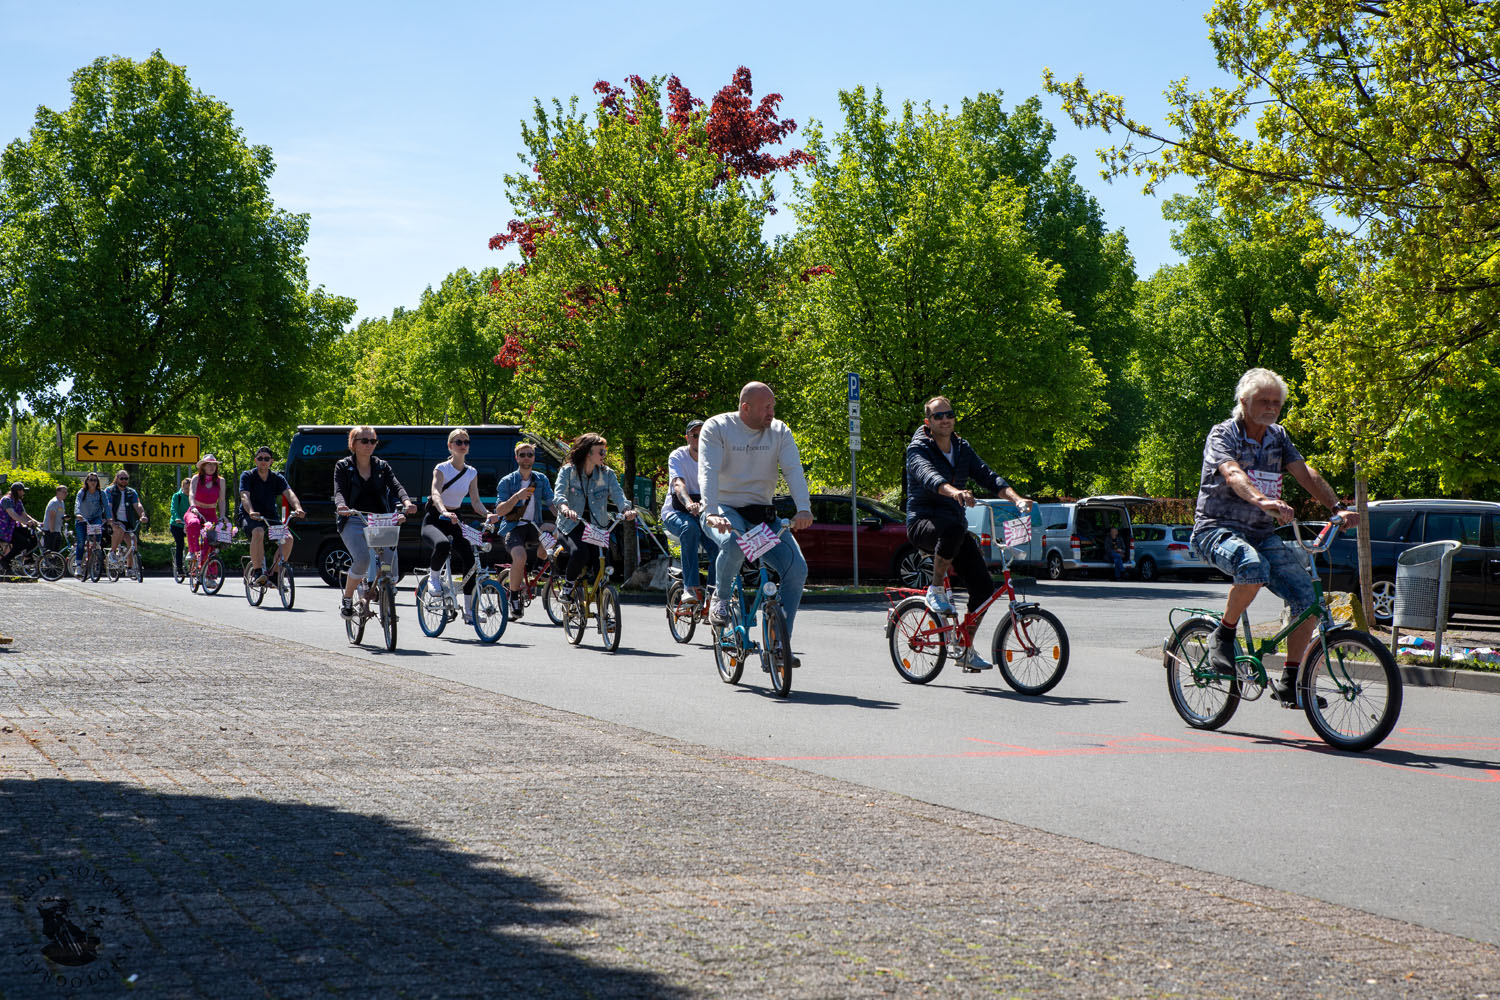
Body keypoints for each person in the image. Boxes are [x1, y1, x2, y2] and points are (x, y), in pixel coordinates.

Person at [1190, 368, 1359, 705]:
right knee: (1251, 566)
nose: (1270, 407)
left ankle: (1291, 682)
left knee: (1308, 601)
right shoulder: (1224, 434)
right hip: (1215, 529)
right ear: (1244, 401)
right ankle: (1223, 635)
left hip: (1261, 533)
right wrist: (1261, 500)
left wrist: (1337, 507)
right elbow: (1232, 472)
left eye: (1276, 402)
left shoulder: (1278, 436)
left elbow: (1303, 472)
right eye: (1263, 400)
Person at [904, 396, 1034, 671]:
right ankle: (936, 588)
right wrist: (956, 492)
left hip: (953, 527)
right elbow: (929, 476)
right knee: (953, 528)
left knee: (983, 589)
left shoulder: (962, 448)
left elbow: (989, 476)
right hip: (923, 523)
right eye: (938, 416)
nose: (945, 419)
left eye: (949, 414)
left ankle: (965, 647)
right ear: (928, 422)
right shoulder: (917, 449)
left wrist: (1017, 499)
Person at [700, 382, 813, 664]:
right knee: (734, 542)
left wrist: (804, 508)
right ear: (745, 407)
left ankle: (778, 644)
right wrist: (711, 510)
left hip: (760, 515)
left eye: (773, 406)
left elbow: (793, 470)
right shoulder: (717, 427)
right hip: (723, 508)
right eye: (766, 407)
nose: (771, 412)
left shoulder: (779, 431)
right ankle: (720, 599)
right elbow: (708, 470)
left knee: (797, 568)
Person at [332, 425, 417, 618]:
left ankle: (384, 593)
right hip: (353, 518)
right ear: (353, 444)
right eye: (364, 440)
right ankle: (347, 598)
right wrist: (341, 506)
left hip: (379, 520)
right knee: (363, 559)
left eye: (373, 441)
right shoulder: (343, 466)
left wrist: (407, 502)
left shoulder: (381, 466)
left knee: (389, 563)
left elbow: (396, 486)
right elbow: (339, 491)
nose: (369, 444)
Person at [421, 428, 494, 623]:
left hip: (455, 518)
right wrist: (443, 510)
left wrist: (488, 514)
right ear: (450, 446)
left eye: (466, 442)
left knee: (470, 558)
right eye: (458, 442)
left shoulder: (471, 472)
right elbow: (435, 493)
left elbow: (476, 501)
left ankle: (469, 612)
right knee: (442, 545)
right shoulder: (442, 468)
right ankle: (433, 578)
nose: (463, 445)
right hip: (435, 517)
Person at [552, 433, 635, 600]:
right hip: (571, 525)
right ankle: (568, 585)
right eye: (601, 451)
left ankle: (603, 606)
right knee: (580, 553)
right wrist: (565, 508)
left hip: (596, 527)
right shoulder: (568, 472)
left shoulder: (607, 474)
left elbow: (618, 495)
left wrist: (626, 510)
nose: (604, 455)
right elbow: (559, 495)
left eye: (605, 451)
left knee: (603, 563)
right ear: (587, 453)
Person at [492, 440, 556, 618]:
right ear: (517, 458)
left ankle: (539, 565)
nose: (527, 458)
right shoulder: (507, 481)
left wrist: (563, 515)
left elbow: (551, 502)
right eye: (523, 455)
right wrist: (517, 497)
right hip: (513, 527)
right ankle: (513, 597)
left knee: (555, 530)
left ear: (534, 458)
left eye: (530, 454)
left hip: (534, 525)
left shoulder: (541, 479)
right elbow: (500, 511)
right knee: (520, 557)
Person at [660, 419, 719, 608]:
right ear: (687, 438)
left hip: (703, 513)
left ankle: (713, 597)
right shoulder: (678, 456)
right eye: (695, 435)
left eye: (704, 435)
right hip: (676, 512)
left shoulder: (714, 457)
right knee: (690, 528)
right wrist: (689, 503)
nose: (699, 439)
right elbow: (678, 484)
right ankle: (690, 587)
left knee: (720, 546)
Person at [239, 446, 306, 587]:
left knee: (288, 539)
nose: (263, 461)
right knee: (258, 531)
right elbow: (244, 496)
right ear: (255, 460)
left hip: (270, 516)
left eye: (266, 458)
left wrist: (298, 508)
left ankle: (274, 575)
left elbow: (289, 493)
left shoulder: (277, 478)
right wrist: (251, 511)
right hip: (250, 515)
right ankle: (257, 572)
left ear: (271, 461)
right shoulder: (247, 476)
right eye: (260, 458)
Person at [183, 455, 224, 568]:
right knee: (194, 523)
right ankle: (192, 551)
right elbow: (191, 494)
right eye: (209, 464)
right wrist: (193, 506)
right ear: (203, 466)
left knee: (210, 542)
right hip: (196, 511)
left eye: (214, 465)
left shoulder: (221, 481)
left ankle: (209, 573)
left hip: (211, 513)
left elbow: (222, 500)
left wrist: (222, 516)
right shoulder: (196, 478)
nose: (211, 467)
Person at [102, 470, 147, 565]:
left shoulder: (131, 492)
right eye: (121, 478)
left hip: (127, 522)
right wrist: (112, 521)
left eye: (126, 478)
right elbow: (109, 507)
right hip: (112, 521)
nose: (124, 480)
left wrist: (142, 515)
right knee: (119, 529)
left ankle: (130, 568)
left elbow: (138, 505)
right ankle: (112, 553)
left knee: (133, 542)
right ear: (117, 478)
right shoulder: (109, 491)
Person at [0, 482, 40, 574]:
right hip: (3, 529)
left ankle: (27, 558)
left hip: (12, 528)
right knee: (22, 542)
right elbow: (13, 515)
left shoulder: (18, 501)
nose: (24, 493)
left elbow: (24, 515)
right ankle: (5, 560)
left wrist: (37, 523)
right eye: (23, 491)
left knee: (33, 536)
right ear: (18, 491)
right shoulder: (6, 500)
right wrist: (26, 523)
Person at [74, 473, 107, 563]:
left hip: (95, 517)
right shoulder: (82, 492)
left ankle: (96, 546)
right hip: (82, 519)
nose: (93, 482)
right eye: (91, 480)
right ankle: (78, 564)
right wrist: (78, 514)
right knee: (81, 541)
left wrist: (110, 518)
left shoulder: (101, 493)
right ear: (87, 481)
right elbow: (77, 503)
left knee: (98, 528)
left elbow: (107, 506)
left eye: (95, 480)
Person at [169, 477, 191, 575]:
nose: (188, 491)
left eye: (190, 489)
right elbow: (173, 509)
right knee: (180, 544)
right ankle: (179, 568)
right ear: (182, 487)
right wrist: (177, 518)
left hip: (189, 524)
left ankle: (193, 566)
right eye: (186, 489)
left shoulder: (193, 497)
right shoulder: (177, 496)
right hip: (177, 524)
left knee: (193, 543)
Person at [42, 485, 69, 553]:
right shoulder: (54, 502)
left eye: (66, 492)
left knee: (56, 552)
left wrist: (65, 516)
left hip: (57, 530)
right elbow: (52, 517)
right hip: (50, 530)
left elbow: (61, 513)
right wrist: (52, 531)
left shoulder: (61, 502)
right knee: (50, 552)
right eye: (64, 492)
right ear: (58, 492)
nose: (66, 494)